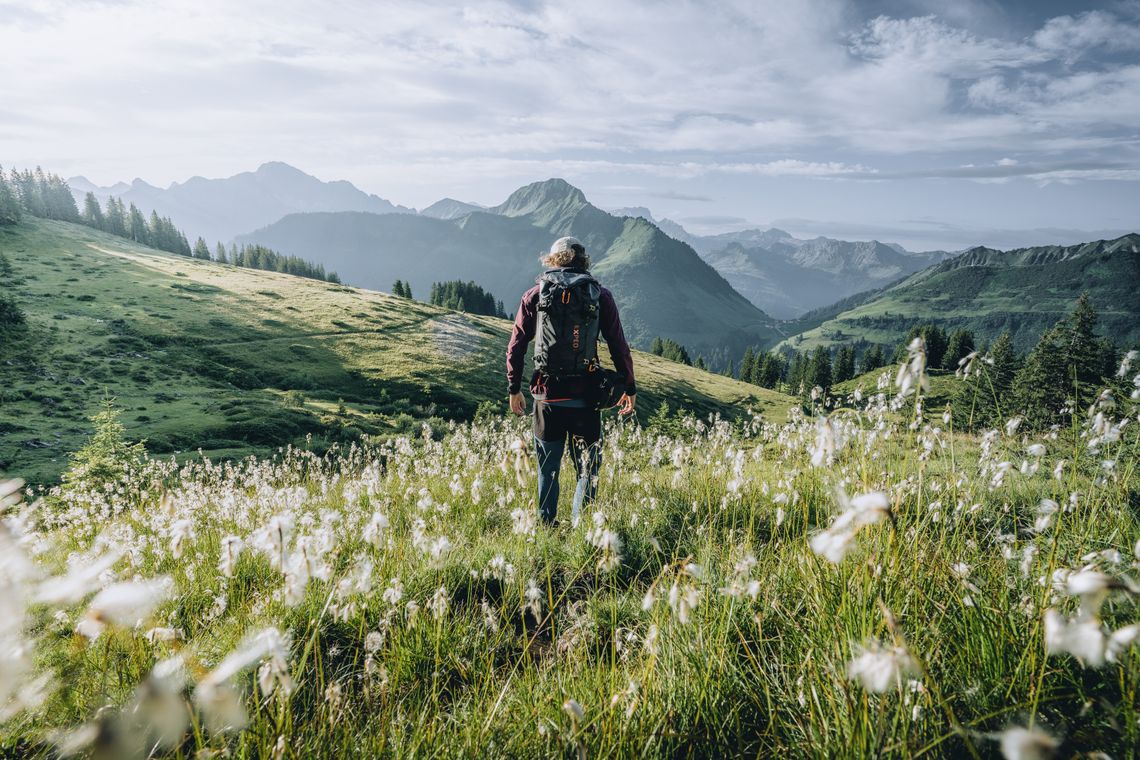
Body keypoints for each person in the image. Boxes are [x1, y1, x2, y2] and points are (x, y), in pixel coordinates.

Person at [507, 236, 636, 526]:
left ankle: (547, 529)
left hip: (547, 399)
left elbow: (516, 345)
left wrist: (514, 387)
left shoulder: (534, 295)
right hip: (585, 399)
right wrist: (629, 386)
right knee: (587, 470)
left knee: (548, 468)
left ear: (551, 261)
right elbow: (618, 344)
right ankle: (582, 532)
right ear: (583, 261)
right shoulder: (599, 295)